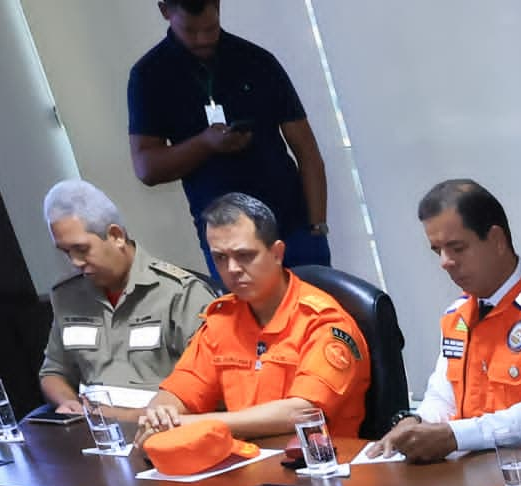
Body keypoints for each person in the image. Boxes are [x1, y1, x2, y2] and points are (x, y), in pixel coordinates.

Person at [377, 179, 521, 464]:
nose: (445, 262)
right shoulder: (456, 316)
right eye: (438, 251)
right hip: (476, 478)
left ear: (497, 241)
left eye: (457, 248)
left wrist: (455, 436)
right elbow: (443, 397)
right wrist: (416, 423)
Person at [139, 195, 370, 442]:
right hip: (243, 462)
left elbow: (303, 411)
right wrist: (160, 415)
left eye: (245, 255)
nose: (232, 269)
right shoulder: (222, 319)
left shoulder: (323, 321)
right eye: (220, 258)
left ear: (277, 253)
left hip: (320, 466)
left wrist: (189, 424)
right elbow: (180, 391)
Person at [125, 0, 331, 270]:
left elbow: (307, 151)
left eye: (211, 28)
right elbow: (146, 168)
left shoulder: (257, 61)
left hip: (294, 231)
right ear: (165, 11)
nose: (202, 39)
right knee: (249, 314)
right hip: (227, 243)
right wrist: (205, 144)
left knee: (314, 311)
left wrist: (316, 228)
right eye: (190, 31)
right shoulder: (149, 76)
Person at [34, 178, 219, 417]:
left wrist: (116, 416)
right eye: (65, 252)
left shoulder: (180, 293)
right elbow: (53, 371)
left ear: (116, 236)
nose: (75, 262)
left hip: (161, 429)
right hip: (90, 431)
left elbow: (207, 384)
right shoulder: (67, 295)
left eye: (81, 249)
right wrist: (68, 402)